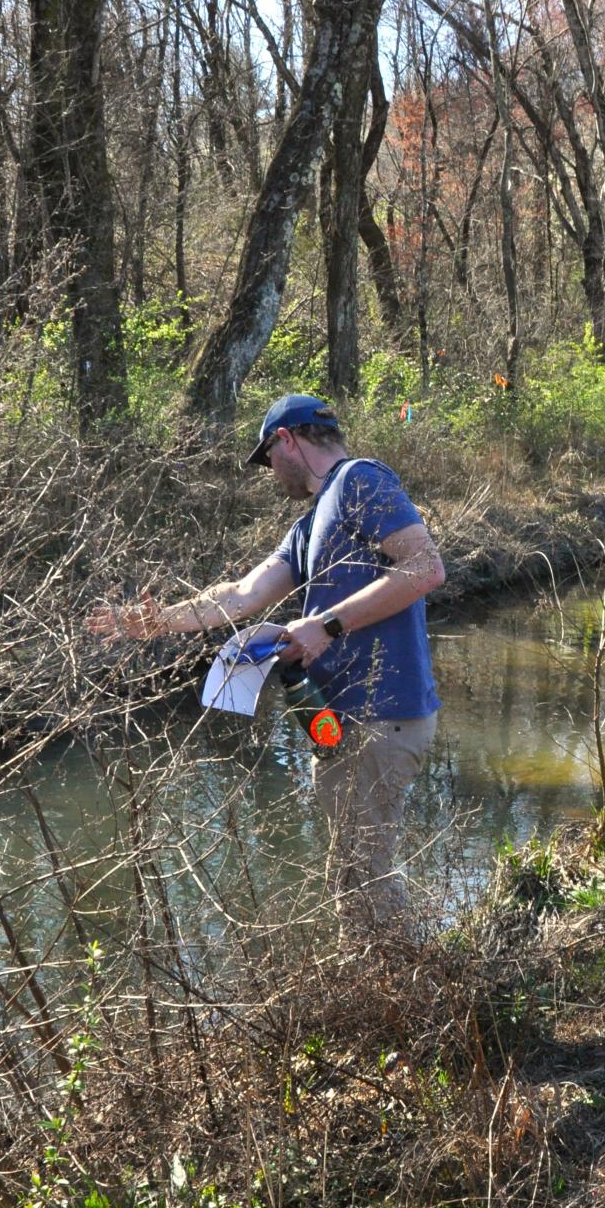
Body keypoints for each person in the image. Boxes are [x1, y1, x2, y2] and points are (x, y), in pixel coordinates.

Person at [86, 394, 446, 941]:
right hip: (339, 723)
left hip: (383, 716)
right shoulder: (308, 527)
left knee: (364, 881)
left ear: (287, 440)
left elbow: (424, 567)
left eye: (268, 457)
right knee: (350, 877)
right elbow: (240, 595)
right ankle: (389, 1002)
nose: (270, 472)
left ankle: (417, 1008)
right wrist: (157, 621)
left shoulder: (360, 482)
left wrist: (324, 625)